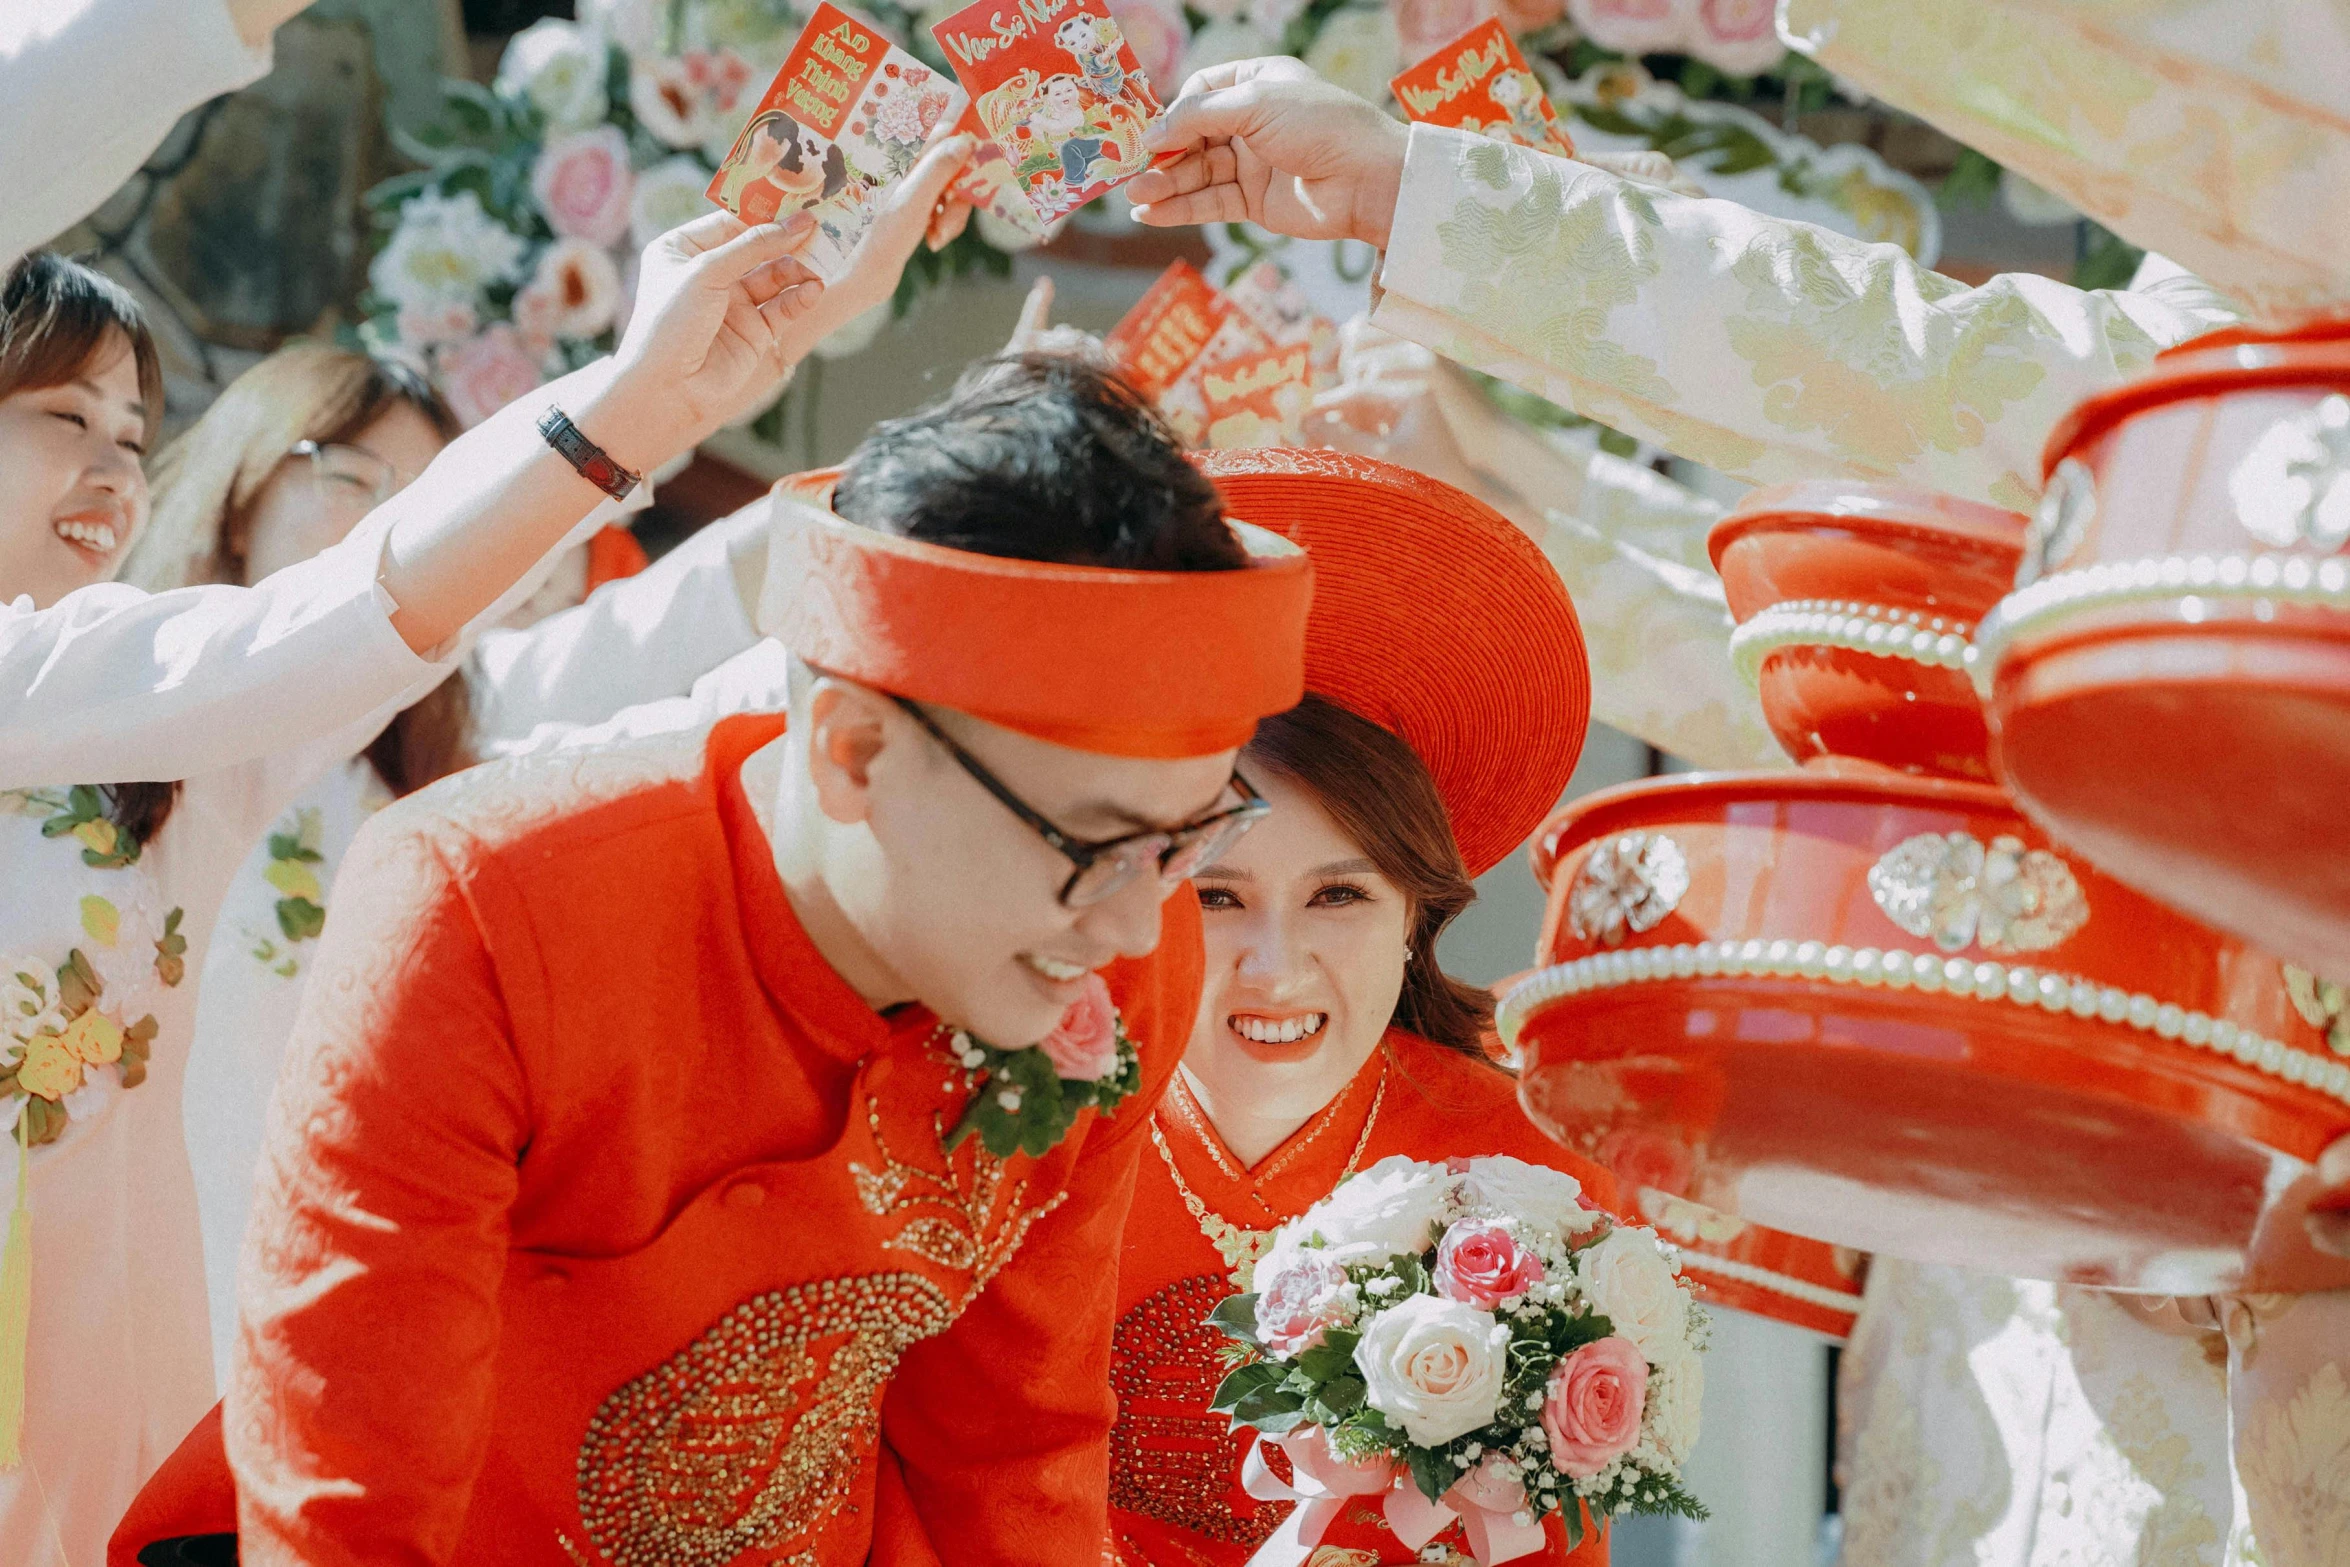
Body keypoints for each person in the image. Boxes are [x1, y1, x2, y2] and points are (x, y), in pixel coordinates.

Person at [1132, 61, 2350, 1566]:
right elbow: (1942, 405)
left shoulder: (1486, 1147)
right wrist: (1447, 252)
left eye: (1337, 892)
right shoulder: (2194, 337)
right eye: (1219, 893)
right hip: (2042, 1174)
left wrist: (1450, 254)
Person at [109, 350, 1315, 1566]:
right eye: (1090, 846)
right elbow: (350, 1513)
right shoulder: (479, 908)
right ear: (852, 751)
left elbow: (1013, 1447)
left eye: (1186, 840)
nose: (1125, 930)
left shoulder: (1122, 938)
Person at [0, 136, 976, 1565]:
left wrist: (672, 421)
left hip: (109, 1421)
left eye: (134, 432)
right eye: (62, 415)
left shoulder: (184, 751)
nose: (111, 465)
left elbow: (376, 627)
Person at [120, 343, 782, 1382]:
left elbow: (660, 668)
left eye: (423, 495)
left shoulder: (422, 768)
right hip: (97, 1300)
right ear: (244, 493)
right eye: (346, 473)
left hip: (309, 1328)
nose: (383, 518)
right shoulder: (115, 715)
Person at [1107, 448, 1616, 1566]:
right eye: (1218, 895)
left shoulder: (1525, 1170)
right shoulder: (1036, 1134)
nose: (1274, 964)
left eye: (1337, 893)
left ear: (1412, 913)